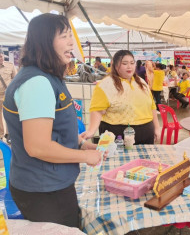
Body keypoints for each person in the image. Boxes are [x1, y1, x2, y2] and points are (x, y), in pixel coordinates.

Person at [3, 13, 102, 227]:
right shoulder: (36, 83)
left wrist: (82, 144)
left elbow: (54, 129)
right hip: (43, 190)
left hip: (50, 184)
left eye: (71, 36)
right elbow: (38, 146)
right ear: (45, 41)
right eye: (64, 36)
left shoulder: (47, 76)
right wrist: (85, 158)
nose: (71, 43)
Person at [84, 50, 160, 144]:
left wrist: (156, 128)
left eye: (132, 63)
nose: (129, 66)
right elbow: (97, 110)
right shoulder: (105, 84)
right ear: (115, 66)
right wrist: (91, 131)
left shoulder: (141, 82)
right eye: (124, 63)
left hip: (146, 133)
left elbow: (152, 106)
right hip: (117, 136)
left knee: (143, 159)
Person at [0, 49, 17, 140]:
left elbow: (15, 79)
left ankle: (9, 134)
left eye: (1, 56)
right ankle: (0, 135)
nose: (0, 58)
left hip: (8, 95)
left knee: (9, 115)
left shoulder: (10, 65)